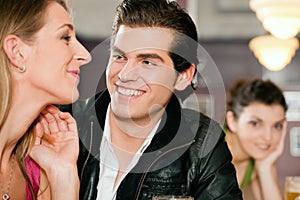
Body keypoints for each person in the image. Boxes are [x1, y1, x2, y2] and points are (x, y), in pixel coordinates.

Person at [72, 0, 242, 199]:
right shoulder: (65, 122)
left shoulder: (203, 144)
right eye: (119, 57)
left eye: (147, 62)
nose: (125, 74)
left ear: (183, 76)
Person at [0, 0, 91, 199]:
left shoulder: (37, 170)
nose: (85, 55)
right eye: (65, 38)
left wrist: (63, 176)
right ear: (17, 51)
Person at [225, 78, 288, 200]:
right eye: (255, 123)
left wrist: (265, 168)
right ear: (232, 121)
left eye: (277, 126)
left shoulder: (257, 159)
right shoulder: (207, 149)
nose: (268, 137)